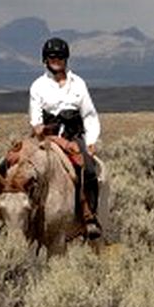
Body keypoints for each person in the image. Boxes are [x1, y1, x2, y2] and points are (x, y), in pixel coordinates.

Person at [28, 37, 103, 239]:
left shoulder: (78, 84)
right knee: (14, 166)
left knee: (88, 169)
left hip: (73, 135)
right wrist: (37, 127)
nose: (56, 60)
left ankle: (89, 217)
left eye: (60, 57)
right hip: (48, 136)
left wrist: (91, 142)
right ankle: (14, 216)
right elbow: (35, 117)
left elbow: (89, 114)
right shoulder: (37, 86)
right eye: (52, 57)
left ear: (66, 59)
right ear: (45, 59)